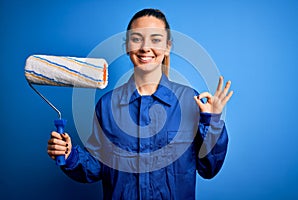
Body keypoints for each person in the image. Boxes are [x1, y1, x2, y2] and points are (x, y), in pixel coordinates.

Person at [47, 8, 233, 200]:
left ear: (168, 46)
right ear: (127, 46)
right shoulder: (107, 105)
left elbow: (209, 168)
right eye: (136, 39)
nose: (145, 47)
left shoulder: (190, 101)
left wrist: (212, 123)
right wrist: (70, 155)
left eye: (155, 40)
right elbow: (95, 167)